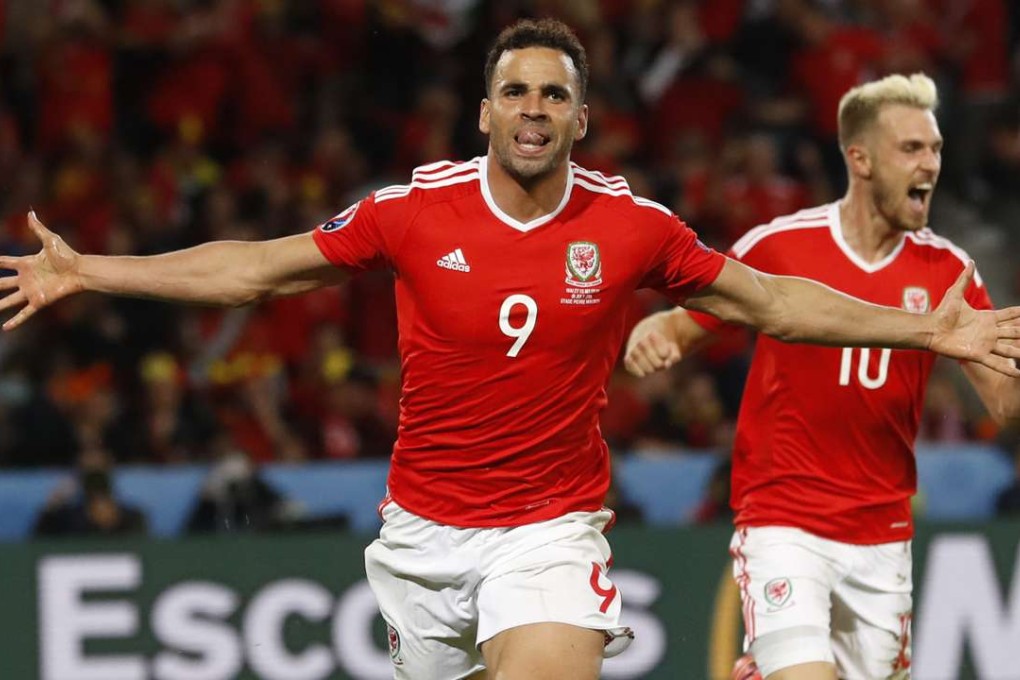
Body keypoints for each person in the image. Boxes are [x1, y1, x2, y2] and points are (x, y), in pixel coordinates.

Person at [3, 23, 1020, 679]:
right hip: (425, 532)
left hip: (551, 528)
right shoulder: (413, 212)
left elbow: (778, 302)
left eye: (553, 94)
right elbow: (255, 269)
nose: (534, 108)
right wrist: (92, 270)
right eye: (516, 92)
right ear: (485, 111)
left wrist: (929, 326)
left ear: (582, 116)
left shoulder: (630, 227)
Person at [625, 72, 1020, 680]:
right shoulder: (782, 246)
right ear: (860, 159)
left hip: (883, 531)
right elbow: (688, 324)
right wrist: (652, 336)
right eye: (911, 149)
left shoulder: (950, 271)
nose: (931, 164)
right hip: (785, 519)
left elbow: (1005, 405)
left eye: (936, 148)